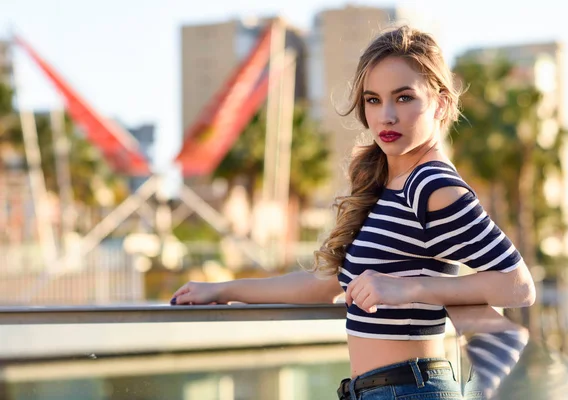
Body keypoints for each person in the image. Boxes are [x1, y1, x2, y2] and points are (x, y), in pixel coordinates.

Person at [171, 25, 536, 400]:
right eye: (373, 100)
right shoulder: (389, 179)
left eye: (404, 97)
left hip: (410, 390)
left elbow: (518, 285)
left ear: (440, 103)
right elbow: (327, 284)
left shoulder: (431, 185)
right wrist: (224, 289)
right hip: (374, 391)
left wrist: (408, 288)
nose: (386, 116)